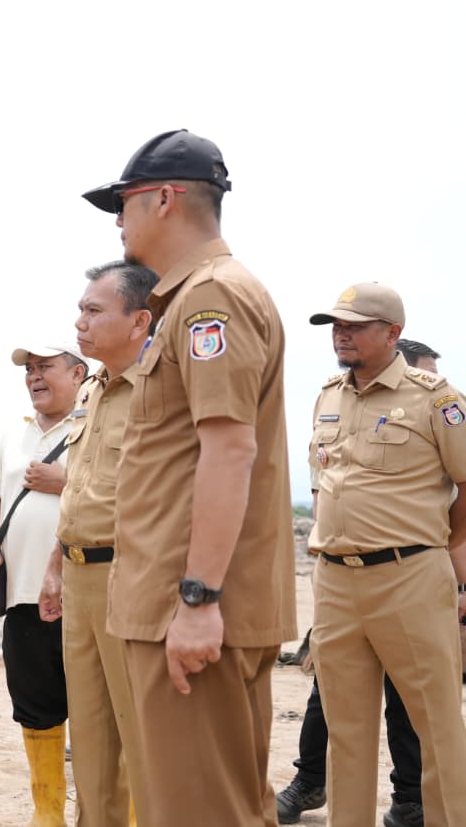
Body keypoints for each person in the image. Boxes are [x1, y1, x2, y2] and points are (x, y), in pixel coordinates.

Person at [82, 129, 296, 827]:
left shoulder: (212, 301)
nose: (118, 219)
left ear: (166, 199)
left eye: (125, 202)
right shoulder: (191, 299)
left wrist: (199, 598)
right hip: (172, 600)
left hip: (192, 605)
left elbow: (229, 450)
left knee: (205, 812)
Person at [306, 284, 466, 827]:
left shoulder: (435, 399)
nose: (340, 334)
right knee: (345, 730)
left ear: (392, 333)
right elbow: (322, 482)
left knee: (436, 725)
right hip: (334, 581)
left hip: (409, 576)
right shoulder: (328, 395)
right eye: (336, 325)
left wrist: (447, 551)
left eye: (354, 325)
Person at [276, 337, 440, 827]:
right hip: (343, 578)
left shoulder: (437, 421)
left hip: (415, 577)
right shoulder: (337, 419)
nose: (432, 383)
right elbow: (323, 497)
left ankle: (410, 798)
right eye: (424, 373)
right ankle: (310, 782)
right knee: (327, 688)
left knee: (410, 696)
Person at [39, 261, 157, 827]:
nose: (79, 322)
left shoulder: (164, 388)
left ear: (140, 320)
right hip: (81, 577)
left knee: (143, 735)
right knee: (88, 733)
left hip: (134, 576)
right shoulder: (91, 389)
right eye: (80, 309)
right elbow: (81, 490)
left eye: (93, 310)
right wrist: (56, 567)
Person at [0, 342, 85, 826]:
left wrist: (65, 481)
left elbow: (124, 490)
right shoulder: (13, 434)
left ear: (78, 373)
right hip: (22, 597)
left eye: (46, 367)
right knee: (36, 708)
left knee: (99, 713)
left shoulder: (95, 426)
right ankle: (48, 815)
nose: (35, 377)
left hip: (84, 596)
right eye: (29, 370)